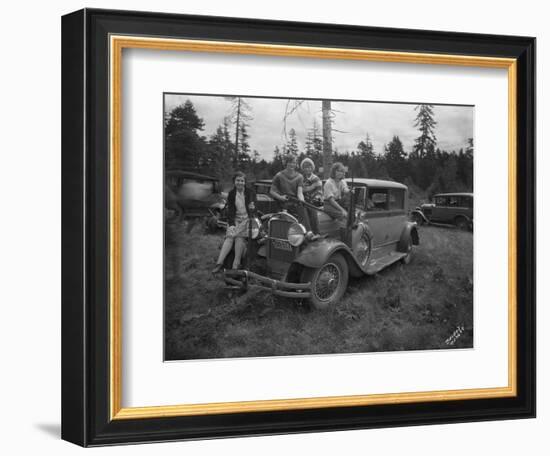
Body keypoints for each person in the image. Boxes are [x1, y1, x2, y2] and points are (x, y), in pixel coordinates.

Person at [212, 172, 256, 273]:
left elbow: (255, 208)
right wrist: (231, 224)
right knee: (230, 237)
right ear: (234, 182)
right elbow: (230, 211)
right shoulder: (231, 194)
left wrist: (253, 208)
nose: (240, 182)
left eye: (242, 181)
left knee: (239, 238)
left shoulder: (250, 192)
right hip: (235, 219)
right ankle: (219, 263)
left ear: (245, 182)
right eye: (238, 180)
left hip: (246, 220)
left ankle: (235, 265)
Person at [270, 155, 314, 237]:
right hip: (282, 202)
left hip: (294, 201)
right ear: (286, 163)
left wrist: (302, 201)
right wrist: (281, 197)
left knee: (303, 208)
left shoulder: (299, 177)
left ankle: (308, 232)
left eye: (294, 162)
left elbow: (299, 192)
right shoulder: (279, 176)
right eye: (290, 162)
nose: (292, 164)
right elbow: (272, 191)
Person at [323, 162, 350, 238]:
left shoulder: (342, 181)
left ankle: (350, 229)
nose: (340, 173)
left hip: (338, 202)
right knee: (343, 215)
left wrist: (349, 191)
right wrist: (342, 210)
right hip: (329, 204)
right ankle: (344, 239)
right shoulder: (328, 183)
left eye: (342, 171)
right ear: (334, 171)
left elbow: (345, 189)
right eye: (338, 171)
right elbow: (331, 201)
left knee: (351, 213)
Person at [300, 157, 322, 235]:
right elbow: (301, 190)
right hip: (303, 200)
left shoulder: (316, 178)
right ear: (303, 168)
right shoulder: (301, 178)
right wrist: (311, 187)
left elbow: (319, 191)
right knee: (303, 211)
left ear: (312, 168)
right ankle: (307, 231)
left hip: (313, 200)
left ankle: (316, 232)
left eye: (309, 167)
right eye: (305, 167)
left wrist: (314, 197)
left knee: (312, 211)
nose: (307, 169)